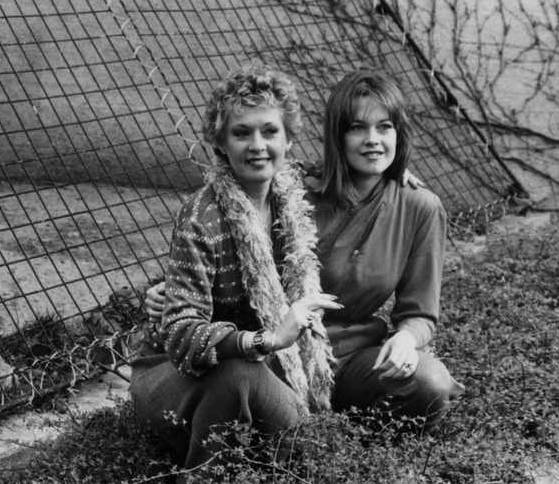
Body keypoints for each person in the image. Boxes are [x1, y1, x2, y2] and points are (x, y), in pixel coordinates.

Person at [145, 68, 464, 442]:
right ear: (337, 135)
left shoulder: (420, 207)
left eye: (385, 127)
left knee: (430, 382)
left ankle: (356, 446)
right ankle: (296, 439)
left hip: (351, 354)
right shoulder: (295, 191)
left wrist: (408, 338)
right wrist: (169, 291)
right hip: (278, 350)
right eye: (357, 128)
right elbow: (232, 240)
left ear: (400, 133)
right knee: (277, 417)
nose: (373, 140)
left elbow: (420, 312)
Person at [130, 66, 343, 474]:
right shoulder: (201, 215)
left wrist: (396, 173)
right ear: (220, 144)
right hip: (176, 376)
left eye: (270, 131)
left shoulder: (290, 199)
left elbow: (351, 170)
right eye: (241, 133)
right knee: (237, 375)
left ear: (289, 139)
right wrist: (268, 338)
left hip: (257, 368)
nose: (258, 145)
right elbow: (180, 333)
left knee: (299, 436)